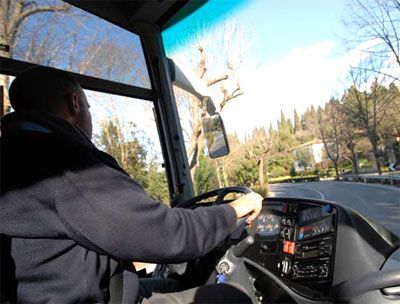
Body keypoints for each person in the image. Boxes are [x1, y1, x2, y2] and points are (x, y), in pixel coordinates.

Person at [0, 66, 263, 303]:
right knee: (231, 296)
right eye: (90, 109)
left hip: (93, 289)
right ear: (74, 103)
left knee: (176, 283)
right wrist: (235, 209)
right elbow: (169, 235)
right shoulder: (63, 163)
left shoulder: (15, 154)